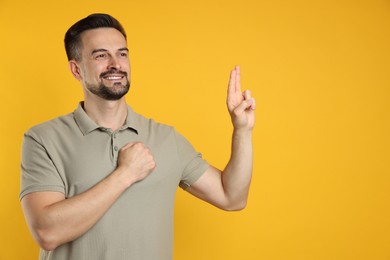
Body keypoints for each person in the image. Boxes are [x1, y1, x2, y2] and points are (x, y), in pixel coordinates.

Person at [20, 13, 256, 260]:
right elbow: (47, 232)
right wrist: (125, 174)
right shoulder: (43, 138)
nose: (116, 64)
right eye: (101, 55)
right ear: (76, 69)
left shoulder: (166, 138)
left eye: (122, 53)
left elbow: (232, 197)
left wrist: (242, 131)